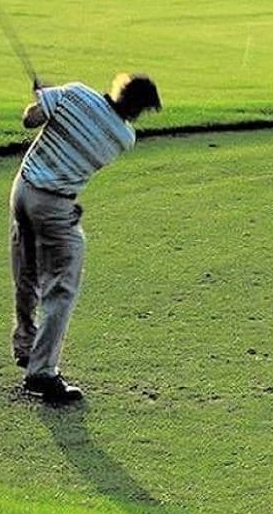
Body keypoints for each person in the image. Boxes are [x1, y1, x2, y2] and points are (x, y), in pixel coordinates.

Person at [9, 73, 161, 403]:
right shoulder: (123, 136)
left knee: (28, 271)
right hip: (53, 203)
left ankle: (25, 344)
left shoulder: (75, 93)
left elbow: (29, 119)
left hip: (22, 189)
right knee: (62, 284)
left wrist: (46, 98)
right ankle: (42, 373)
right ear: (138, 109)